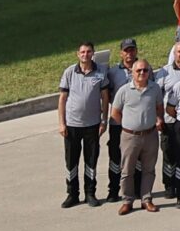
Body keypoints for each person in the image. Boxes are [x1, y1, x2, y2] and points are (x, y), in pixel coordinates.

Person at [57, 43, 118, 209]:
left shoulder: (100, 72)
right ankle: (72, 194)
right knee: (71, 161)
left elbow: (105, 98)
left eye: (88, 51)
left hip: (92, 125)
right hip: (72, 125)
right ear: (78, 54)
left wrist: (104, 120)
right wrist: (61, 123)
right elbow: (62, 99)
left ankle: (90, 193)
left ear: (93, 53)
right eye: (82, 52)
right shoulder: (70, 72)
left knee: (91, 160)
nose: (85, 54)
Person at [108, 59, 164, 215]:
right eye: (138, 70)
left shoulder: (155, 89)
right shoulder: (124, 90)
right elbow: (115, 113)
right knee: (127, 170)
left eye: (145, 70)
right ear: (132, 72)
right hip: (129, 136)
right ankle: (127, 201)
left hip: (150, 135)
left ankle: (146, 199)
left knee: (149, 169)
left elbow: (159, 107)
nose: (142, 73)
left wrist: (158, 119)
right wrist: (128, 125)